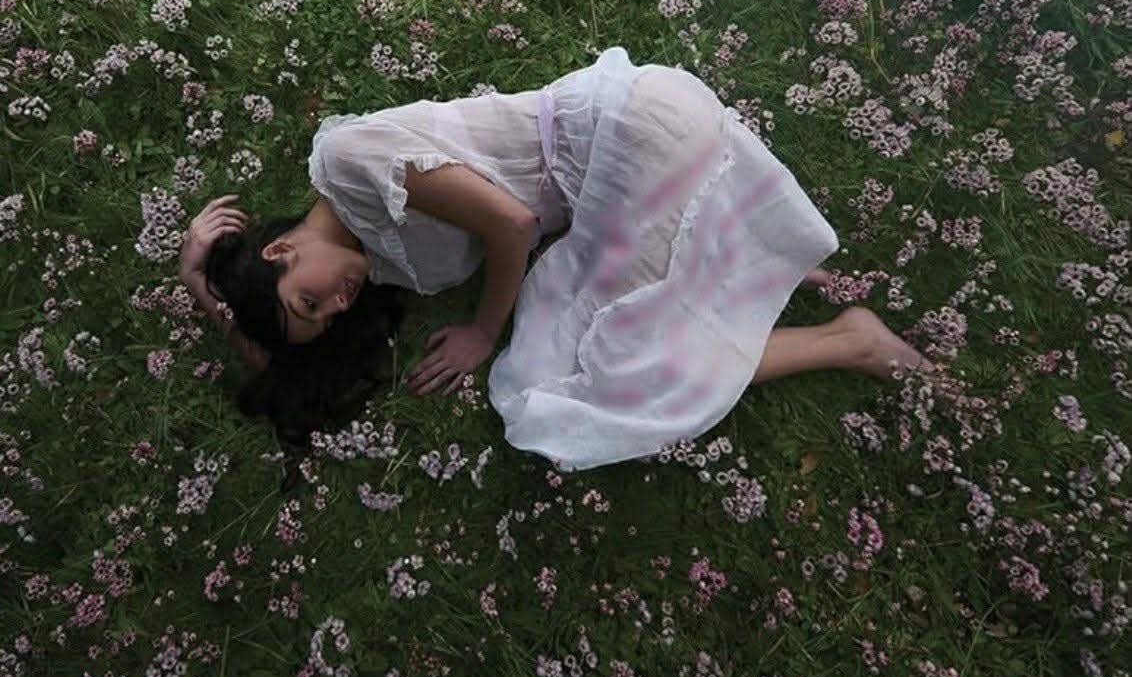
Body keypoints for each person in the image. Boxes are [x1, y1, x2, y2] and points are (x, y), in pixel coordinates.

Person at [181, 46, 936, 474]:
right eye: (324, 319)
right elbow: (277, 348)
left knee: (578, 378)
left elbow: (512, 225)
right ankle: (748, 268)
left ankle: (849, 340)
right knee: (591, 351)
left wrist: (484, 332)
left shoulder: (350, 161)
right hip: (619, 174)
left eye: (310, 300)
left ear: (278, 250)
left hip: (626, 138)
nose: (336, 306)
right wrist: (203, 286)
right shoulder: (360, 258)